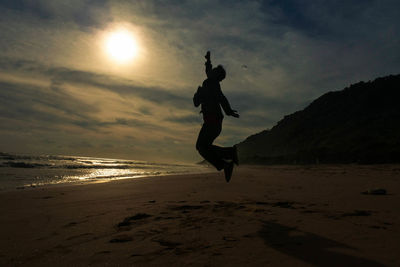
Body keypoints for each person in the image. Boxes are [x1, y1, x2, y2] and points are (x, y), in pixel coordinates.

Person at [193, 51, 240, 182]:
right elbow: (208, 71)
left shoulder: (211, 84)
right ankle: (227, 156)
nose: (210, 71)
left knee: (201, 147)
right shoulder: (210, 82)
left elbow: (221, 98)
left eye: (214, 70)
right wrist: (208, 61)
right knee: (202, 147)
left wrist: (229, 111)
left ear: (216, 76)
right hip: (213, 122)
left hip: (213, 122)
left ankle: (226, 160)